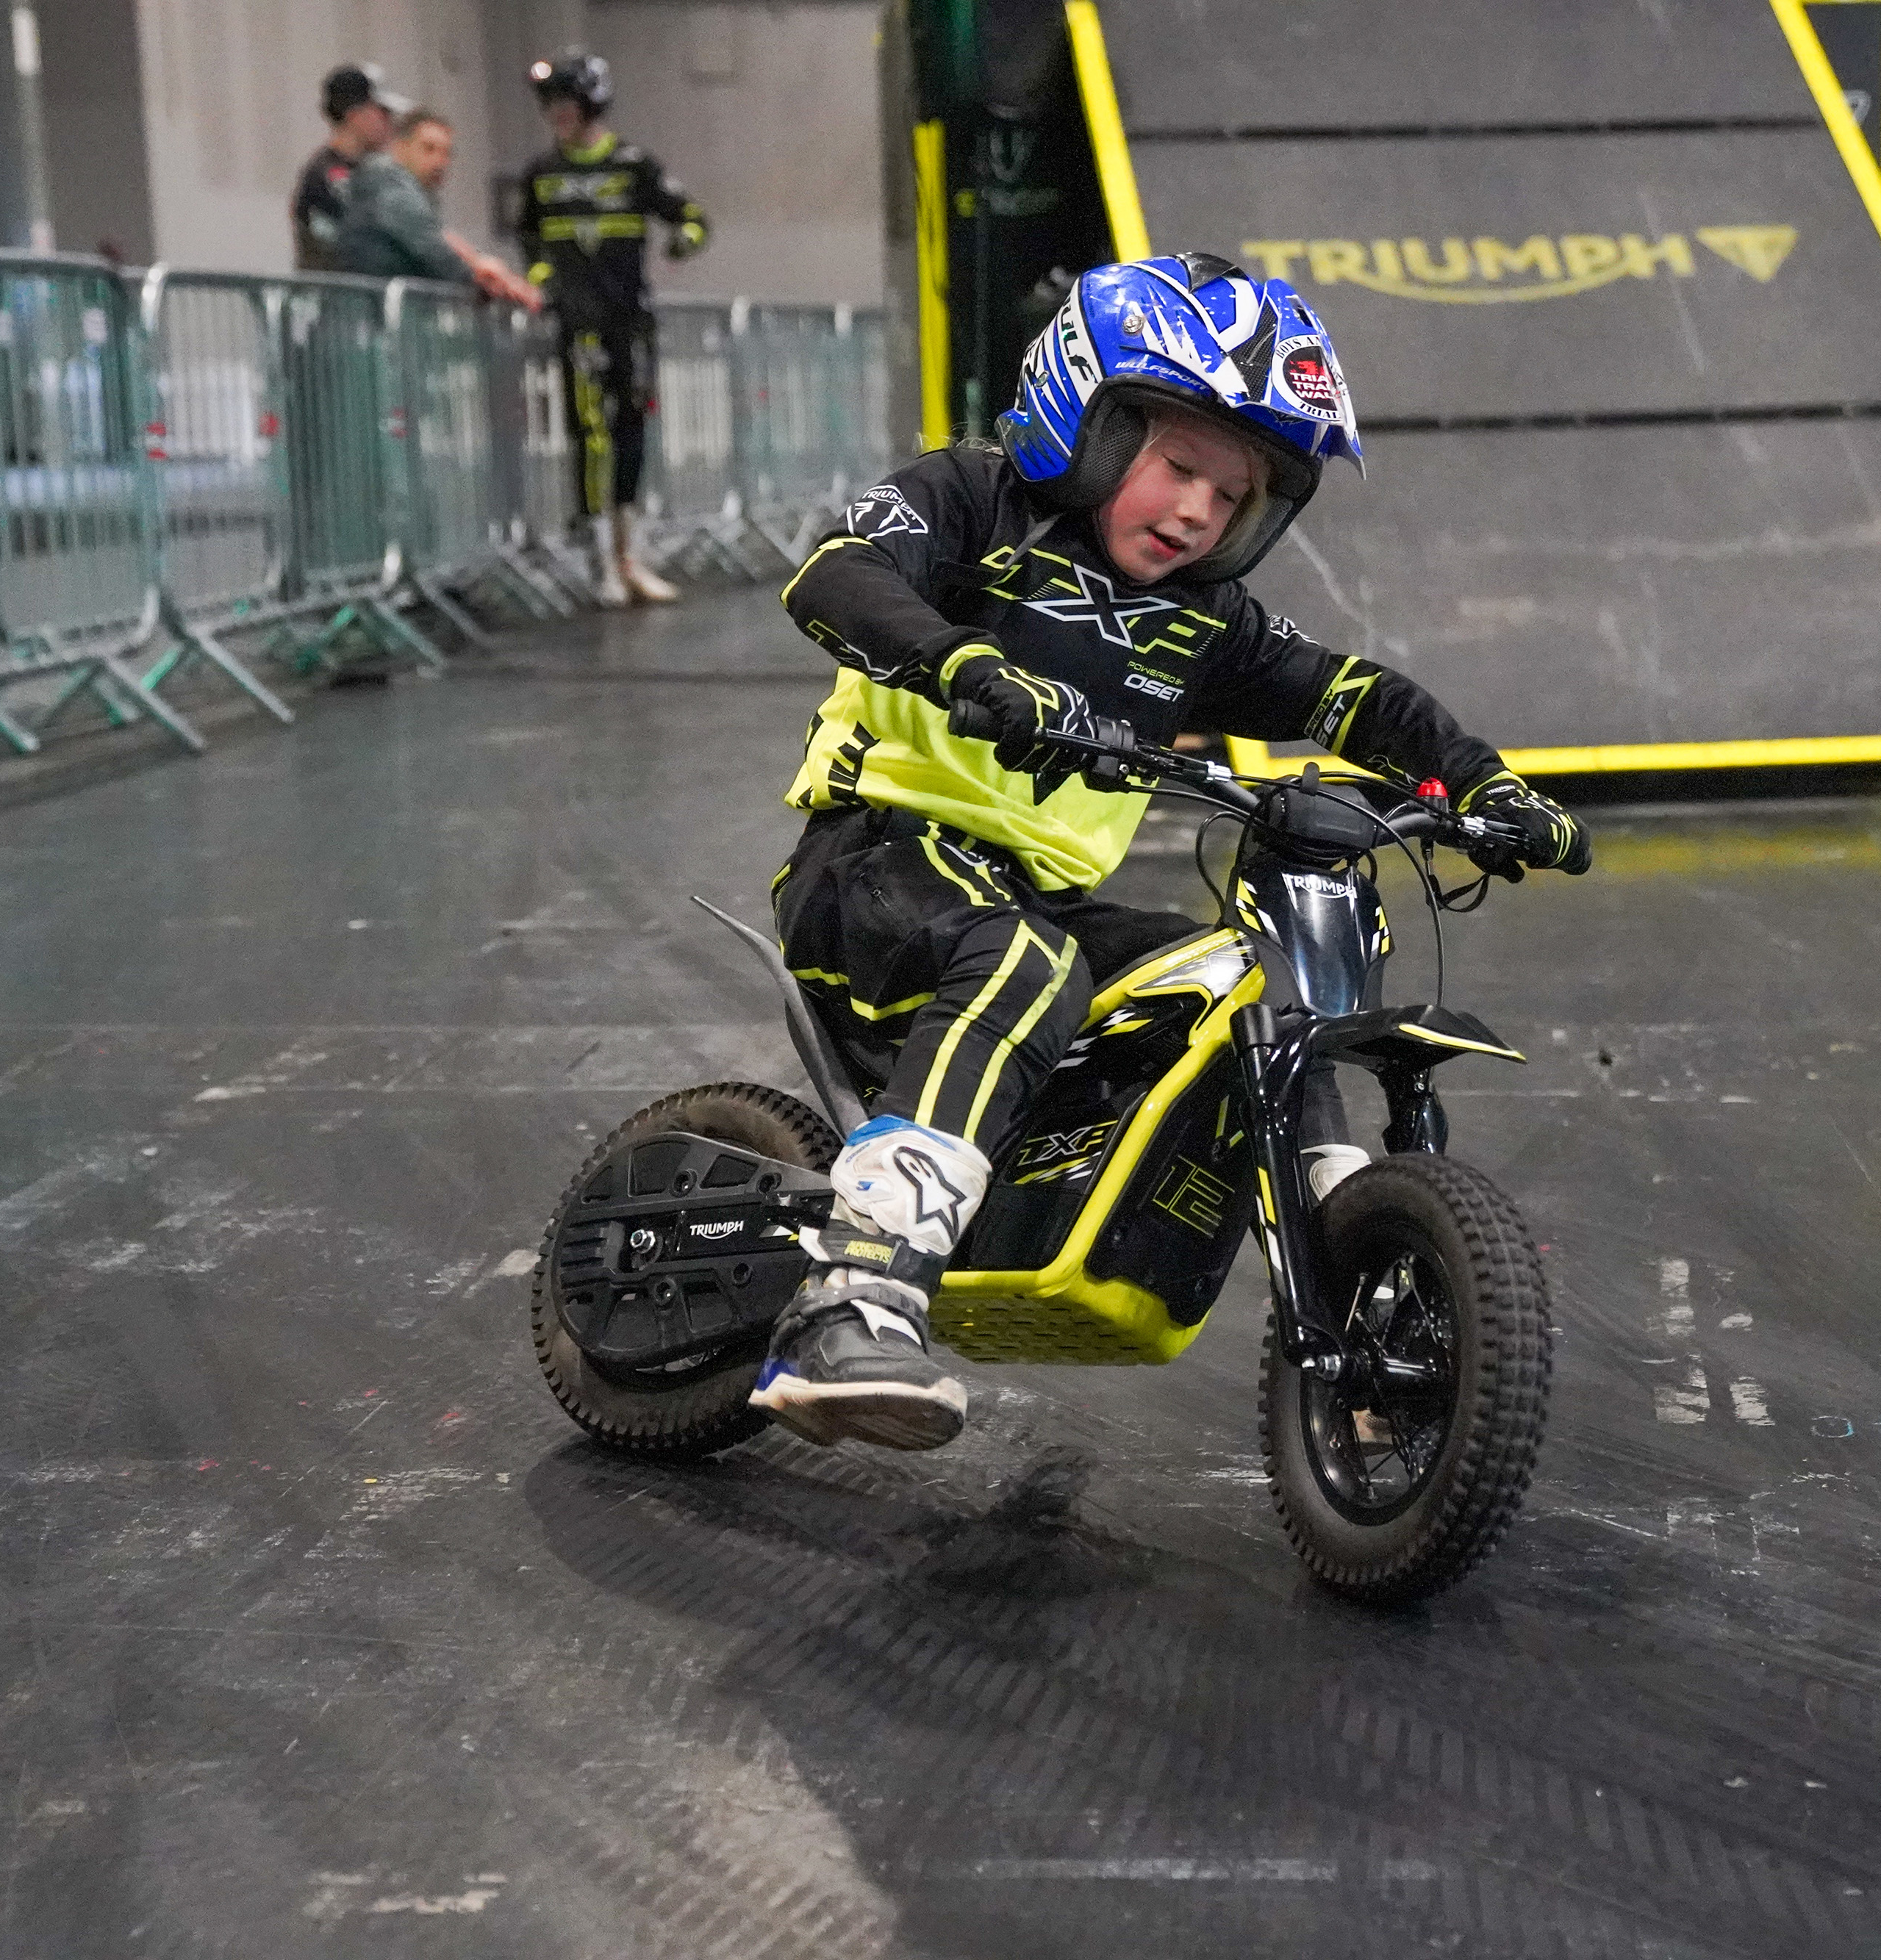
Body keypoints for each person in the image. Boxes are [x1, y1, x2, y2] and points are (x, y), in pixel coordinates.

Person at [750, 252, 1592, 1451]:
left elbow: (1351, 692)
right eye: (1181, 466)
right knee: (1026, 962)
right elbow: (835, 572)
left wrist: (1479, 781)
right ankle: (852, 1296)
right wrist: (966, 663)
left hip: (1037, 903)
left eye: (1234, 494)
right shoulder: (974, 501)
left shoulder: (1204, 617)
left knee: (1242, 986)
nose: (1201, 510)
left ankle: (1352, 1307)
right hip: (877, 864)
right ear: (1087, 422)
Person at [514, 47, 711, 609]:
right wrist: (543, 276)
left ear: (591, 103)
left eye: (568, 102)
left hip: (629, 319)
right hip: (577, 323)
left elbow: (693, 219)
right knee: (589, 433)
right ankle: (599, 557)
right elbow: (529, 237)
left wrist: (682, 242)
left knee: (631, 430)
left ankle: (631, 555)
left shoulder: (633, 165)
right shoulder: (541, 174)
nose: (559, 113)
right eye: (551, 103)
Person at [337, 107, 540, 306]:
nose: (440, 162)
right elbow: (430, 244)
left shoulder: (404, 193)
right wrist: (482, 277)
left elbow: (440, 235)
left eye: (447, 153)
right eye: (428, 148)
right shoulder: (386, 185)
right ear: (400, 147)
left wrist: (483, 265)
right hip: (374, 315)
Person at [293, 65, 404, 273]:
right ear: (354, 114)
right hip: (335, 289)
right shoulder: (326, 175)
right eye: (383, 113)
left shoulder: (370, 172)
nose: (390, 123)